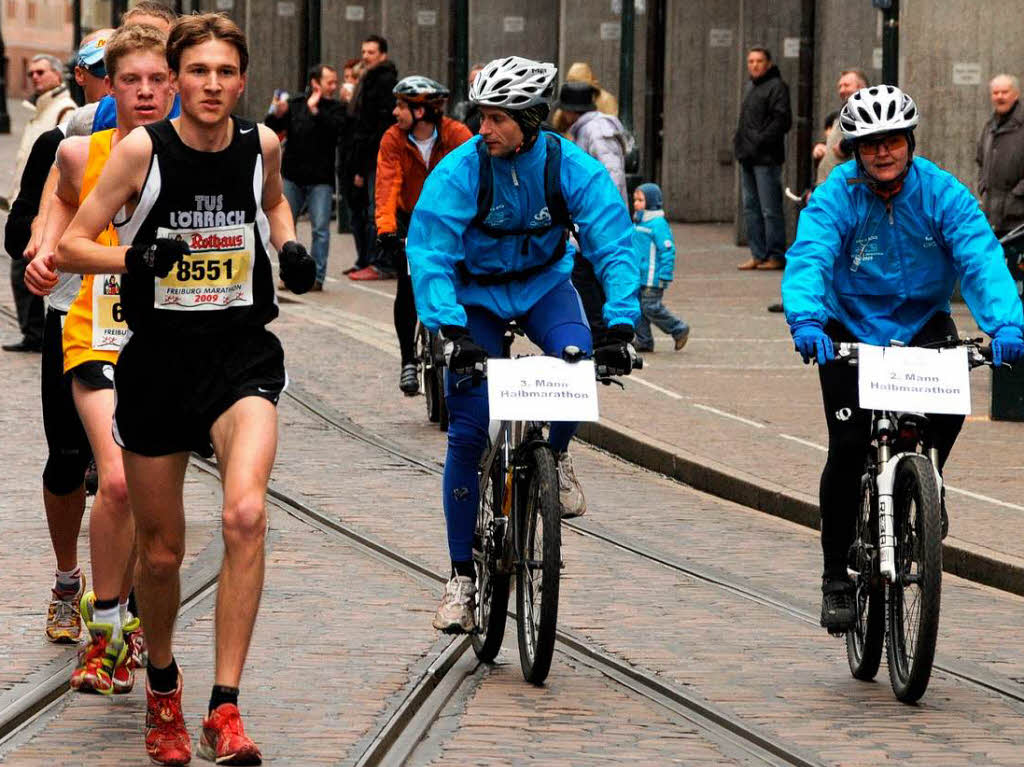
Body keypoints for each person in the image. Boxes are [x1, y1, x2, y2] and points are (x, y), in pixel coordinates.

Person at [57, 13, 314, 765]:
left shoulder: (259, 142)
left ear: (242, 79)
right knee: (162, 555)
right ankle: (162, 683)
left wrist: (290, 242)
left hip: (241, 356)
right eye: (197, 71)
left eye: (225, 72)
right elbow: (75, 239)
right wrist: (137, 257)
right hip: (160, 360)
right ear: (178, 77)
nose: (211, 85)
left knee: (244, 512)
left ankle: (224, 707)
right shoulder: (143, 150)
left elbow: (271, 200)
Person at [406, 56, 640, 633]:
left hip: (542, 287)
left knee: (577, 364)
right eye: (481, 116)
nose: (483, 129)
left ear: (533, 119)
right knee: (468, 429)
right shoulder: (463, 168)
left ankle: (553, 460)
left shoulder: (569, 167)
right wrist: (450, 329)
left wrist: (621, 325)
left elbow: (612, 241)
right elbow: (430, 249)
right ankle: (461, 577)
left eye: (498, 119)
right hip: (476, 298)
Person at [780, 85, 1024, 635]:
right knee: (846, 446)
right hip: (847, 327)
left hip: (920, 321)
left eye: (892, 141)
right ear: (855, 150)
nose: (882, 153)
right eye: (870, 145)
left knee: (950, 409)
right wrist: (807, 320)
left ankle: (925, 484)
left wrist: (1005, 324)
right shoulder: (836, 196)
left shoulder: (943, 193)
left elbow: (981, 255)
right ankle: (835, 579)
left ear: (909, 142)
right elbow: (812, 255)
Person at [12, 29, 113, 648]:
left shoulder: (179, 145)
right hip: (76, 315)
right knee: (69, 459)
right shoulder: (64, 141)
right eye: (112, 71)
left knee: (135, 471)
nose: (133, 86)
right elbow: (22, 222)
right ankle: (67, 580)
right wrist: (41, 249)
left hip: (150, 325)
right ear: (88, 75)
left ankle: (118, 601)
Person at [374, 75, 472, 394]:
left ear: (421, 111)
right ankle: (408, 361)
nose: (394, 112)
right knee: (408, 286)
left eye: (402, 106)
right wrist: (387, 229)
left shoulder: (457, 134)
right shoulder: (393, 138)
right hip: (409, 219)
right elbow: (388, 183)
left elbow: (475, 174)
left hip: (449, 219)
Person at [5, 54, 76, 352]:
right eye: (31, 72)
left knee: (27, 270)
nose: (34, 77)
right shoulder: (41, 108)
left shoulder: (65, 112)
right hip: (27, 201)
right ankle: (33, 331)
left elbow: (57, 166)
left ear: (58, 76)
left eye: (40, 72)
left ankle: (36, 333)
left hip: (45, 208)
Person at [266, 63, 345, 291]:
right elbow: (274, 128)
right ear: (315, 83)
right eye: (330, 81)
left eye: (335, 82)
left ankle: (316, 278)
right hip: (292, 176)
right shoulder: (296, 104)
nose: (334, 85)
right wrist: (276, 113)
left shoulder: (336, 107)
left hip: (321, 179)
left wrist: (316, 112)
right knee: (286, 227)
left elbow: (336, 132)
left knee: (320, 228)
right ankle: (288, 274)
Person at [734, 46, 792, 271]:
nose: (754, 65)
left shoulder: (777, 87)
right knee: (751, 208)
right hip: (747, 156)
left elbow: (782, 121)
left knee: (770, 209)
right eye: (750, 61)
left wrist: (758, 141)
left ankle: (776, 255)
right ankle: (758, 254)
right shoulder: (751, 87)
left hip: (766, 158)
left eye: (759, 61)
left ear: (768, 63)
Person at [347, 35, 399, 280]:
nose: (365, 56)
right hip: (366, 152)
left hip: (375, 154)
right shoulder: (368, 79)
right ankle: (368, 260)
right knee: (365, 209)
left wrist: (362, 160)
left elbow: (373, 123)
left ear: (383, 55)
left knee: (375, 210)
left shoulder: (382, 81)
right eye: (363, 51)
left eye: (371, 52)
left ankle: (381, 263)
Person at [632, 183, 688, 352]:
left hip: (652, 277)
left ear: (651, 202)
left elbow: (667, 250)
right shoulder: (638, 222)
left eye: (640, 200)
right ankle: (644, 340)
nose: (636, 203)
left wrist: (665, 273)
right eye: (635, 200)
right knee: (638, 309)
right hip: (638, 275)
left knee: (650, 307)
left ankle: (678, 328)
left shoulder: (657, 224)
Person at [556, 81, 629, 202]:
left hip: (605, 215)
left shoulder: (596, 130)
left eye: (564, 109)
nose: (563, 114)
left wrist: (606, 213)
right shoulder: (585, 130)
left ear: (571, 111)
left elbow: (613, 174)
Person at [977, 74, 1024, 238]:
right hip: (992, 218)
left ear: (1016, 94)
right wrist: (982, 185)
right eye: (995, 93)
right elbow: (981, 161)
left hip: (1018, 221)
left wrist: (1014, 198)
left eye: (1005, 92)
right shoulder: (989, 126)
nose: (1000, 97)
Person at [551, 61, 618, 134]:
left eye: (578, 84)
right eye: (572, 84)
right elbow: (558, 124)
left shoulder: (606, 100)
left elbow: (610, 128)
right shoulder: (567, 105)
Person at [450, 63, 485, 136]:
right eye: (471, 82)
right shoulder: (462, 109)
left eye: (477, 81)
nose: (473, 85)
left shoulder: (495, 108)